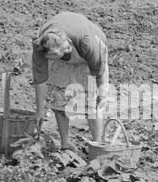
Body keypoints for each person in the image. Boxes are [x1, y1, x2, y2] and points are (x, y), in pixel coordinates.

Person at [31, 12, 109, 152]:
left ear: (66, 48)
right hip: (61, 50)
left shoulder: (86, 42)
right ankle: (65, 145)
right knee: (59, 100)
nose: (51, 59)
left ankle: (98, 145)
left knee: (92, 105)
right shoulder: (41, 45)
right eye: (49, 57)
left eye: (54, 55)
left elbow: (98, 70)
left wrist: (101, 92)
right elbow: (40, 78)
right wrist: (40, 110)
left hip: (90, 55)